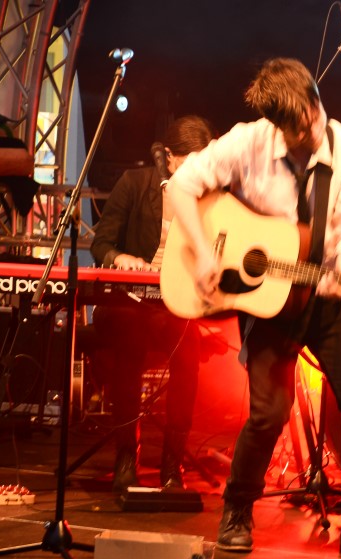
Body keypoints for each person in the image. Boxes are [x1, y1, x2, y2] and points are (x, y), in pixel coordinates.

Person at [167, 58, 341, 559]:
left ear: (314, 101)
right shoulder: (249, 140)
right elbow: (181, 186)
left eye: (305, 122)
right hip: (268, 301)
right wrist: (202, 250)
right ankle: (237, 509)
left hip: (326, 293)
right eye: (288, 129)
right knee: (268, 413)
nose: (299, 135)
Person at [90, 115, 214, 493]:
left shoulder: (210, 200)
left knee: (188, 353)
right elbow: (100, 243)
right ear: (170, 159)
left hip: (175, 305)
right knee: (130, 337)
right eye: (191, 163)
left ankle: (173, 464)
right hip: (131, 302)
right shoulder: (135, 183)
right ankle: (127, 455)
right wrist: (120, 258)